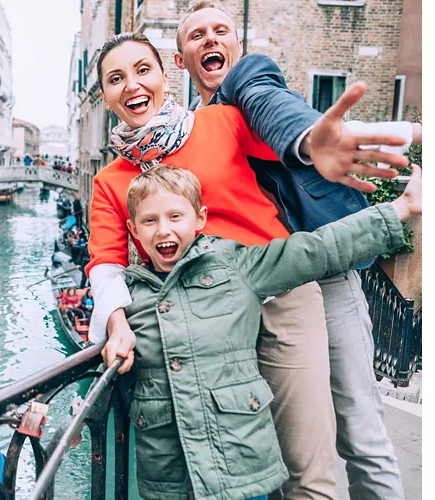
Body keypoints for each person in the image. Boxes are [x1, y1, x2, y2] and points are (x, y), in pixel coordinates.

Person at [86, 32, 417, 500]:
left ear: (166, 74)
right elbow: (106, 263)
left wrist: (333, 140)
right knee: (244, 463)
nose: (132, 85)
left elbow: (296, 140)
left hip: (278, 293)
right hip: (202, 318)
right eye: (116, 79)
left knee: (307, 465)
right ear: (105, 95)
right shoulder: (110, 180)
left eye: (143, 70)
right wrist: (116, 322)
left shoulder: (220, 122)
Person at [172, 2, 420, 497]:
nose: (211, 40)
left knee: (360, 435)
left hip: (322, 274)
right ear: (181, 59)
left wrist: (310, 140)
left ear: (237, 45)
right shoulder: (188, 128)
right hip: (250, 294)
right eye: (197, 35)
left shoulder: (248, 79)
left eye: (221, 30)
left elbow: (277, 109)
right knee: (289, 448)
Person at [121, 164, 421, 500]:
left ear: (200, 219)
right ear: (134, 228)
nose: (163, 230)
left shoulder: (236, 265)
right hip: (169, 481)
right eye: (150, 221)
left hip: (242, 468)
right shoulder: (127, 298)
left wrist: (400, 209)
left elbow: (315, 250)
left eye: (175, 217)